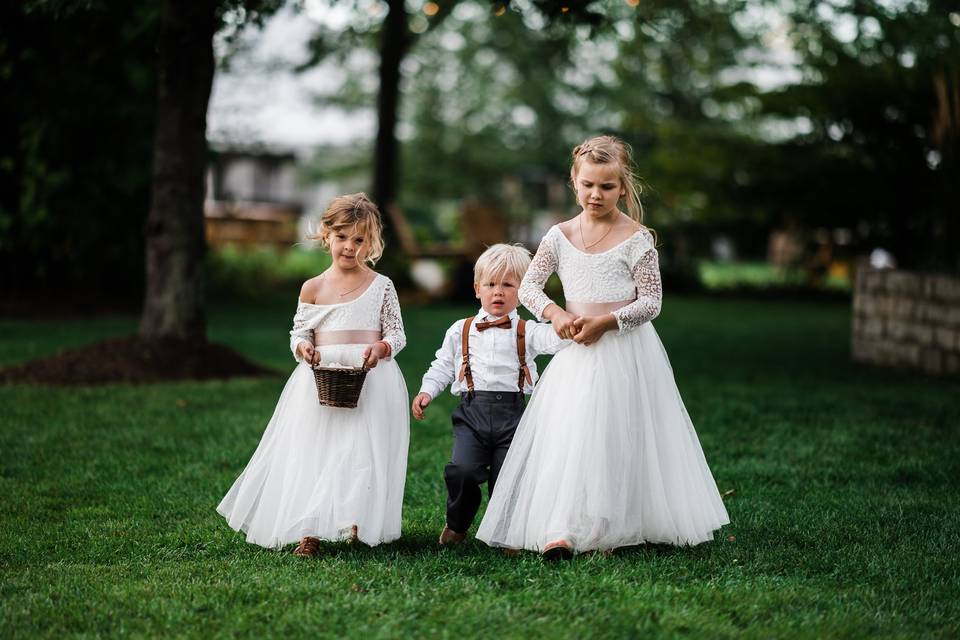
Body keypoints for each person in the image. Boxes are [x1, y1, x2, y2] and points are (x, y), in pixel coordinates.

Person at [476, 136, 730, 558]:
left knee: (616, 433)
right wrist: (557, 316)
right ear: (574, 184)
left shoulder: (636, 238)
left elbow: (652, 302)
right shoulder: (559, 235)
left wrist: (608, 322)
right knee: (571, 434)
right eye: (588, 185)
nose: (596, 194)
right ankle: (560, 526)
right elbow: (531, 288)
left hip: (624, 348)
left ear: (622, 188)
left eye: (607, 187)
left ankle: (610, 523)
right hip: (575, 348)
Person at [217, 193, 409, 556]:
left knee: (360, 453)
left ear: (371, 243)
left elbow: (396, 333)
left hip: (370, 379)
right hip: (322, 378)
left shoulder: (382, 286)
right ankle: (311, 528)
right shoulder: (313, 287)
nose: (349, 247)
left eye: (359, 240)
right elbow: (300, 332)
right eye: (342, 238)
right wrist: (303, 349)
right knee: (318, 452)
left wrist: (381, 349)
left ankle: (355, 519)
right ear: (326, 235)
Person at [412, 244, 568, 545]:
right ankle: (457, 523)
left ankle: (506, 533)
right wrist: (426, 391)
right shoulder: (461, 330)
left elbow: (557, 340)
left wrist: (572, 325)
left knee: (508, 477)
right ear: (477, 289)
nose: (499, 292)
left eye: (509, 285)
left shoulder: (528, 330)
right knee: (462, 471)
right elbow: (442, 366)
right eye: (491, 284)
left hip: (515, 415)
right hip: (472, 413)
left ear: (523, 293)